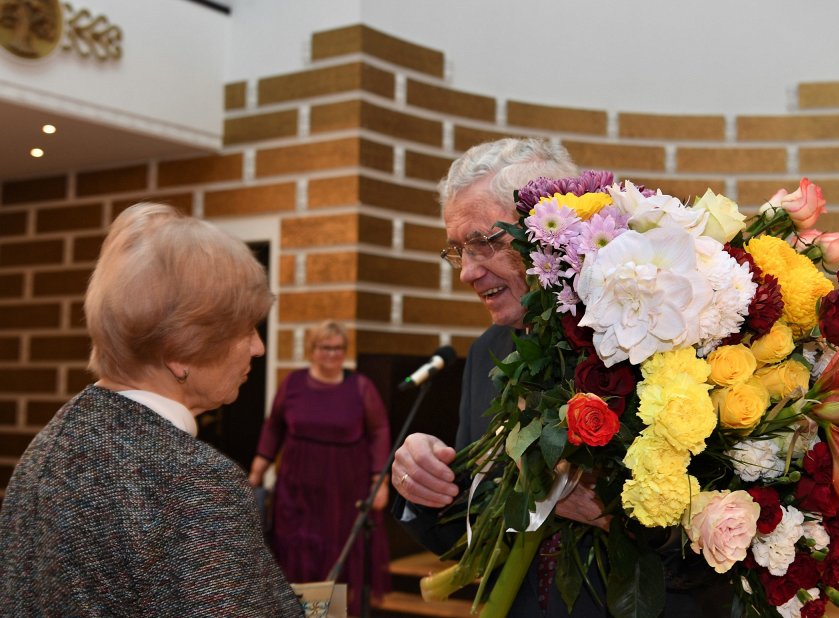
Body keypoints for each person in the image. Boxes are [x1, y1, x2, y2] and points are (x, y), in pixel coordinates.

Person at [390, 138, 725, 617]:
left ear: (552, 233)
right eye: (458, 249)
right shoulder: (489, 351)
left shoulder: (653, 338)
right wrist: (424, 483)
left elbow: (732, 540)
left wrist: (619, 519)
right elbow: (477, 526)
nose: (466, 272)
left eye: (485, 243)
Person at [0, 203, 303, 616]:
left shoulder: (50, 445)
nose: (258, 347)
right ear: (179, 350)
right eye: (244, 329)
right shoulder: (193, 480)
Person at [249, 320, 391, 616]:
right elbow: (273, 428)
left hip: (343, 492)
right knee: (294, 554)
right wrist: (256, 472)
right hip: (297, 488)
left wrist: (381, 480)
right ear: (312, 350)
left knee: (339, 558)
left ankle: (335, 615)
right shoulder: (293, 384)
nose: (332, 354)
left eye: (339, 348)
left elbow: (379, 431)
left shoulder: (360, 387)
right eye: (326, 348)